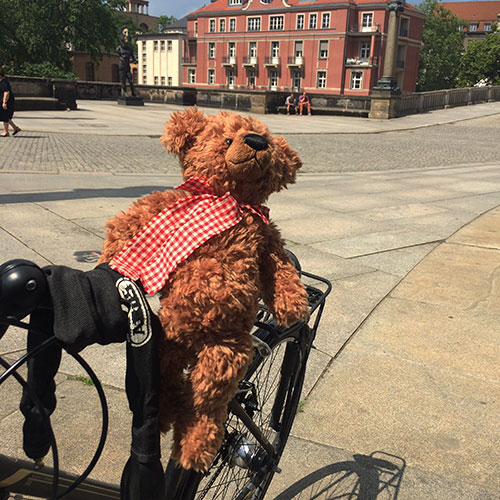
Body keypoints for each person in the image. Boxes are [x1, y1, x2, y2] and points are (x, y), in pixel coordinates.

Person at [0, 68, 21, 137]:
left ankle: (6, 131)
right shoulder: (3, 81)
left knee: (5, 115)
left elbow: (6, 92)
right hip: (5, 100)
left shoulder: (4, 82)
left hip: (7, 101)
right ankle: (15, 128)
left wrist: (4, 102)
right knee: (5, 116)